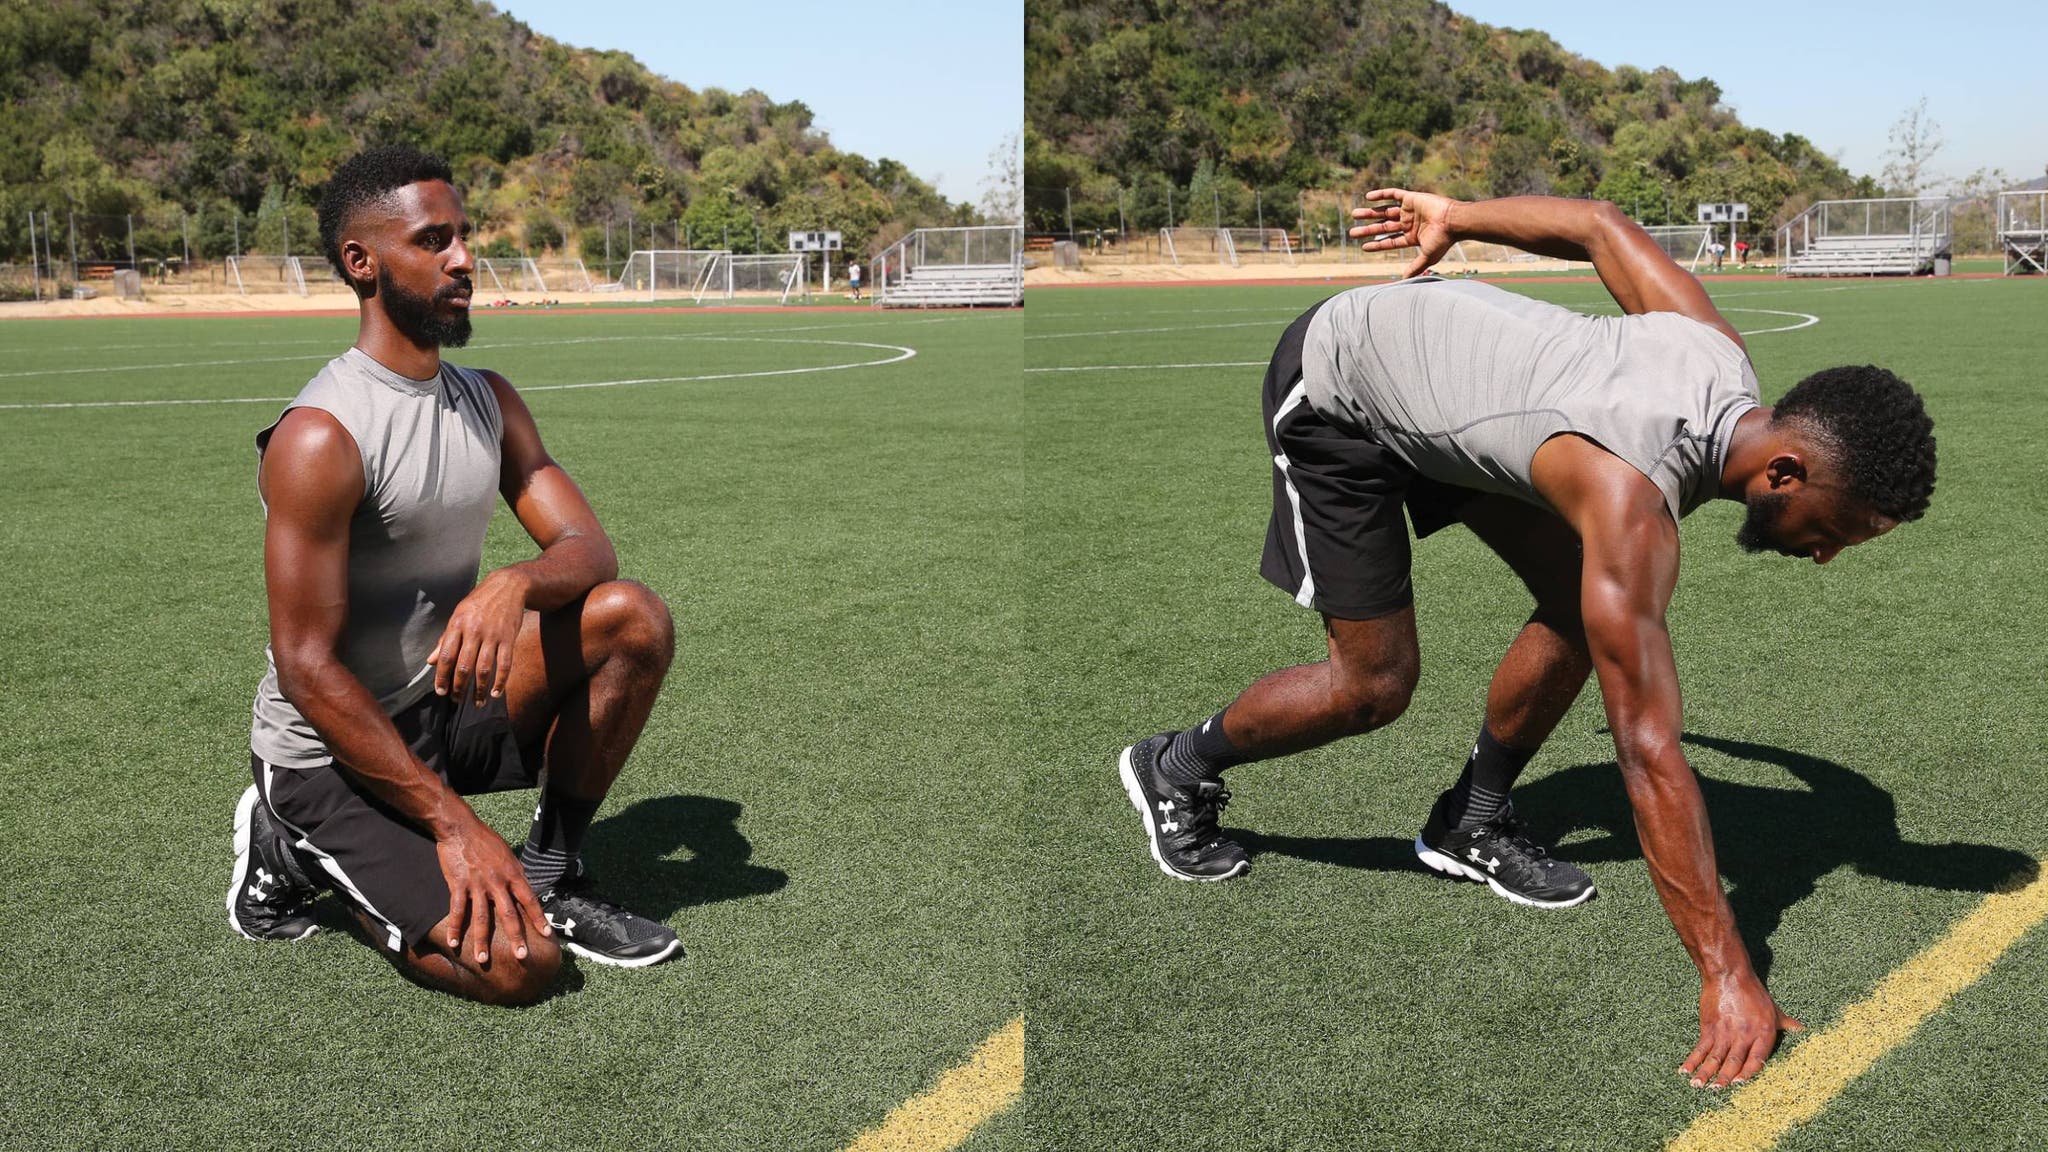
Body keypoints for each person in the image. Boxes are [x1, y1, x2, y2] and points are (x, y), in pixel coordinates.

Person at [1116, 188, 1936, 1088]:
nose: (1827, 556)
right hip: (1343, 387)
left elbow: (1598, 228)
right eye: (1840, 529)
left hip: (1451, 389)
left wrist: (1460, 215)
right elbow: (1648, 751)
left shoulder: (1719, 357)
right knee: (1374, 686)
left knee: (1577, 610)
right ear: (1786, 470)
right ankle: (1175, 764)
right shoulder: (1631, 501)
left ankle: (1469, 820)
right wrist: (1727, 973)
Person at [225, 146, 683, 1005]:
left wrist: (512, 583)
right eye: (434, 240)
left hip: (442, 704)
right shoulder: (322, 436)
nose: (465, 260)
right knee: (521, 967)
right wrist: (456, 824)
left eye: (464, 237)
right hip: (331, 753)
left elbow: (589, 552)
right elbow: (306, 668)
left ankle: (551, 869)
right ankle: (290, 845)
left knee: (631, 618)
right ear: (362, 263)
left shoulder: (489, 399)